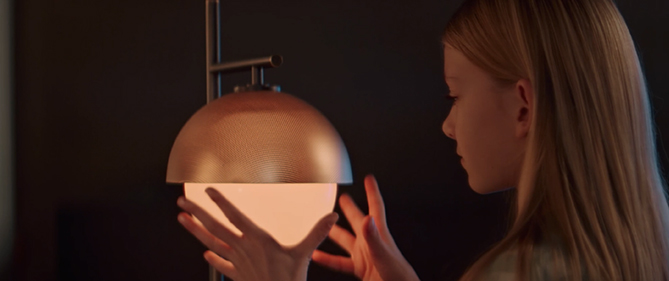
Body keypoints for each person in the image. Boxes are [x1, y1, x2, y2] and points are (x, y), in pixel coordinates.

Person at [176, 0, 669, 280]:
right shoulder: (641, 250)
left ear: (522, 105)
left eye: (455, 96)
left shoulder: (519, 272)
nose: (447, 125)